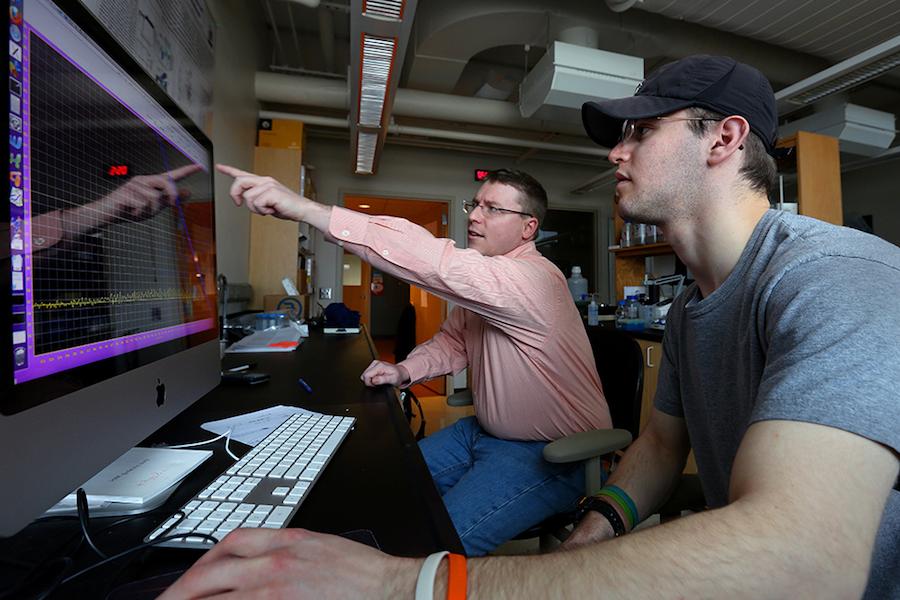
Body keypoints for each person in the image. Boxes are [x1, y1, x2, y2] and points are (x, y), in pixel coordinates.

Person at [161, 55, 899, 599]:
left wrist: (401, 586)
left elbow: (807, 563)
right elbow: (663, 443)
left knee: (414, 552)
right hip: (499, 436)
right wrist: (596, 530)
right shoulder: (695, 308)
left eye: (641, 131)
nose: (616, 150)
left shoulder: (832, 274)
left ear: (723, 139)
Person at [217, 165, 611, 556]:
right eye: (475, 205)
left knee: (424, 544)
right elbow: (453, 344)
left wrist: (306, 209)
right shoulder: (489, 290)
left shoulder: (535, 280)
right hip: (482, 433)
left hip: (553, 454)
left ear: (528, 228)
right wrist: (404, 369)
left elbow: (439, 263)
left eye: (492, 208)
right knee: (376, 484)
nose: (474, 216)